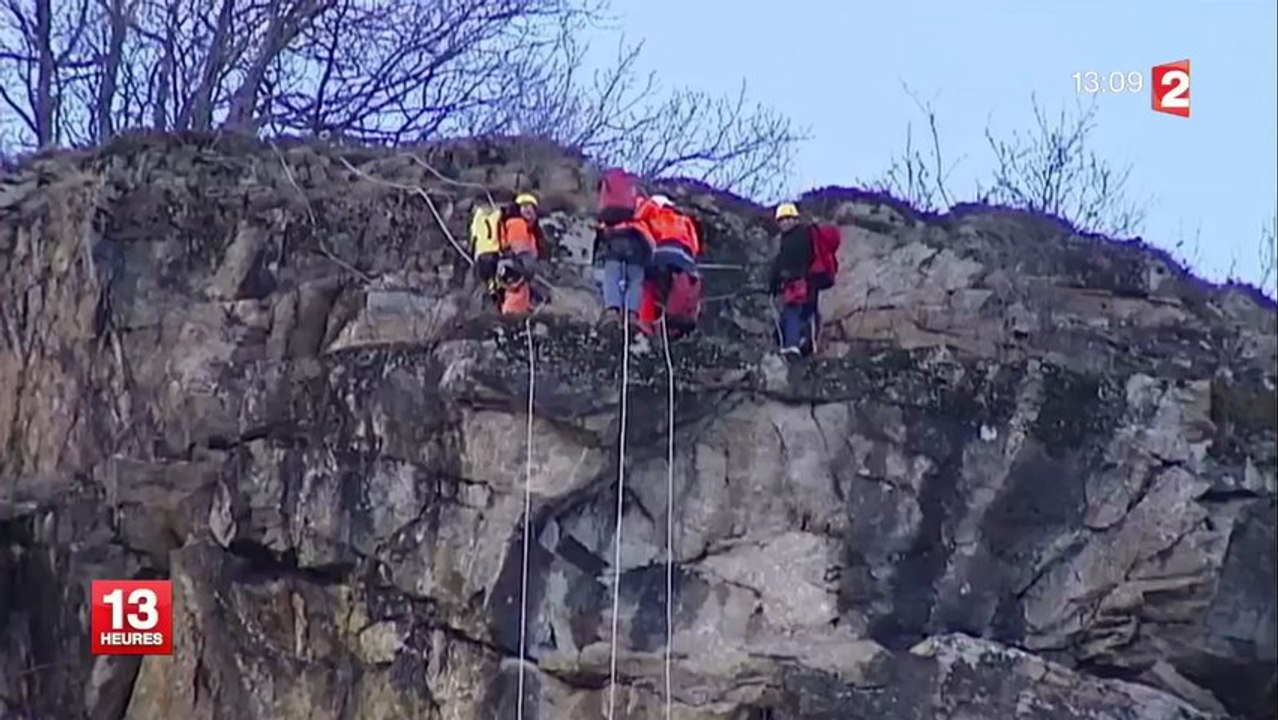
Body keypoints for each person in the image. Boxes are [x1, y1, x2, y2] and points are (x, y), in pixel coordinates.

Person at [592, 170, 653, 326]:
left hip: (614, 241)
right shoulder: (638, 202)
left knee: (612, 277)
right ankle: (632, 314)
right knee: (635, 280)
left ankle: (613, 310)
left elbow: (600, 229)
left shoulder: (608, 209)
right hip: (636, 243)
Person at [636, 194, 702, 336]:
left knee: (648, 283)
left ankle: (646, 321)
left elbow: (639, 222)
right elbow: (695, 246)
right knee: (674, 287)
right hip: (686, 260)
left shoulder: (654, 212)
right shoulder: (684, 220)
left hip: (662, 252)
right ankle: (671, 323)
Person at [769, 202, 820, 355]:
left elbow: (781, 263)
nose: (785, 222)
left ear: (795, 220)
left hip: (795, 283)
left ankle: (792, 345)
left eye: (788, 219)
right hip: (810, 283)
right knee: (802, 314)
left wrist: (773, 284)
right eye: (782, 220)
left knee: (791, 312)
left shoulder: (791, 239)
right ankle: (803, 343)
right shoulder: (807, 234)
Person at [497, 192, 548, 316]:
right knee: (515, 300)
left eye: (530, 207)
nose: (527, 210)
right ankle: (510, 321)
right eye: (524, 206)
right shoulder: (517, 224)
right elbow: (521, 250)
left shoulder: (530, 231)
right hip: (515, 269)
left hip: (520, 272)